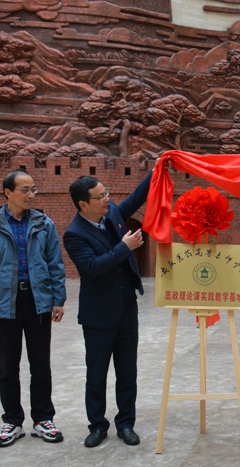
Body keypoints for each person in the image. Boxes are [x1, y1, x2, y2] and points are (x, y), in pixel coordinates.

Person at [0, 169, 67, 447]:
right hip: (5, 305)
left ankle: (43, 419)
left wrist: (58, 299)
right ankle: (12, 421)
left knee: (41, 365)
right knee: (8, 367)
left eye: (33, 189)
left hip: (38, 302)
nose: (31, 195)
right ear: (8, 193)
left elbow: (55, 263)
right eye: (25, 189)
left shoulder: (44, 224)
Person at [63, 173, 151, 448]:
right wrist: (125, 247)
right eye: (100, 196)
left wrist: (157, 170)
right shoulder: (74, 234)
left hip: (126, 308)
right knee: (96, 374)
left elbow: (136, 198)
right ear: (83, 204)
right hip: (98, 315)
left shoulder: (111, 212)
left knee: (127, 372)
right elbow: (93, 267)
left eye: (106, 193)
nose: (107, 199)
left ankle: (125, 424)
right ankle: (97, 425)